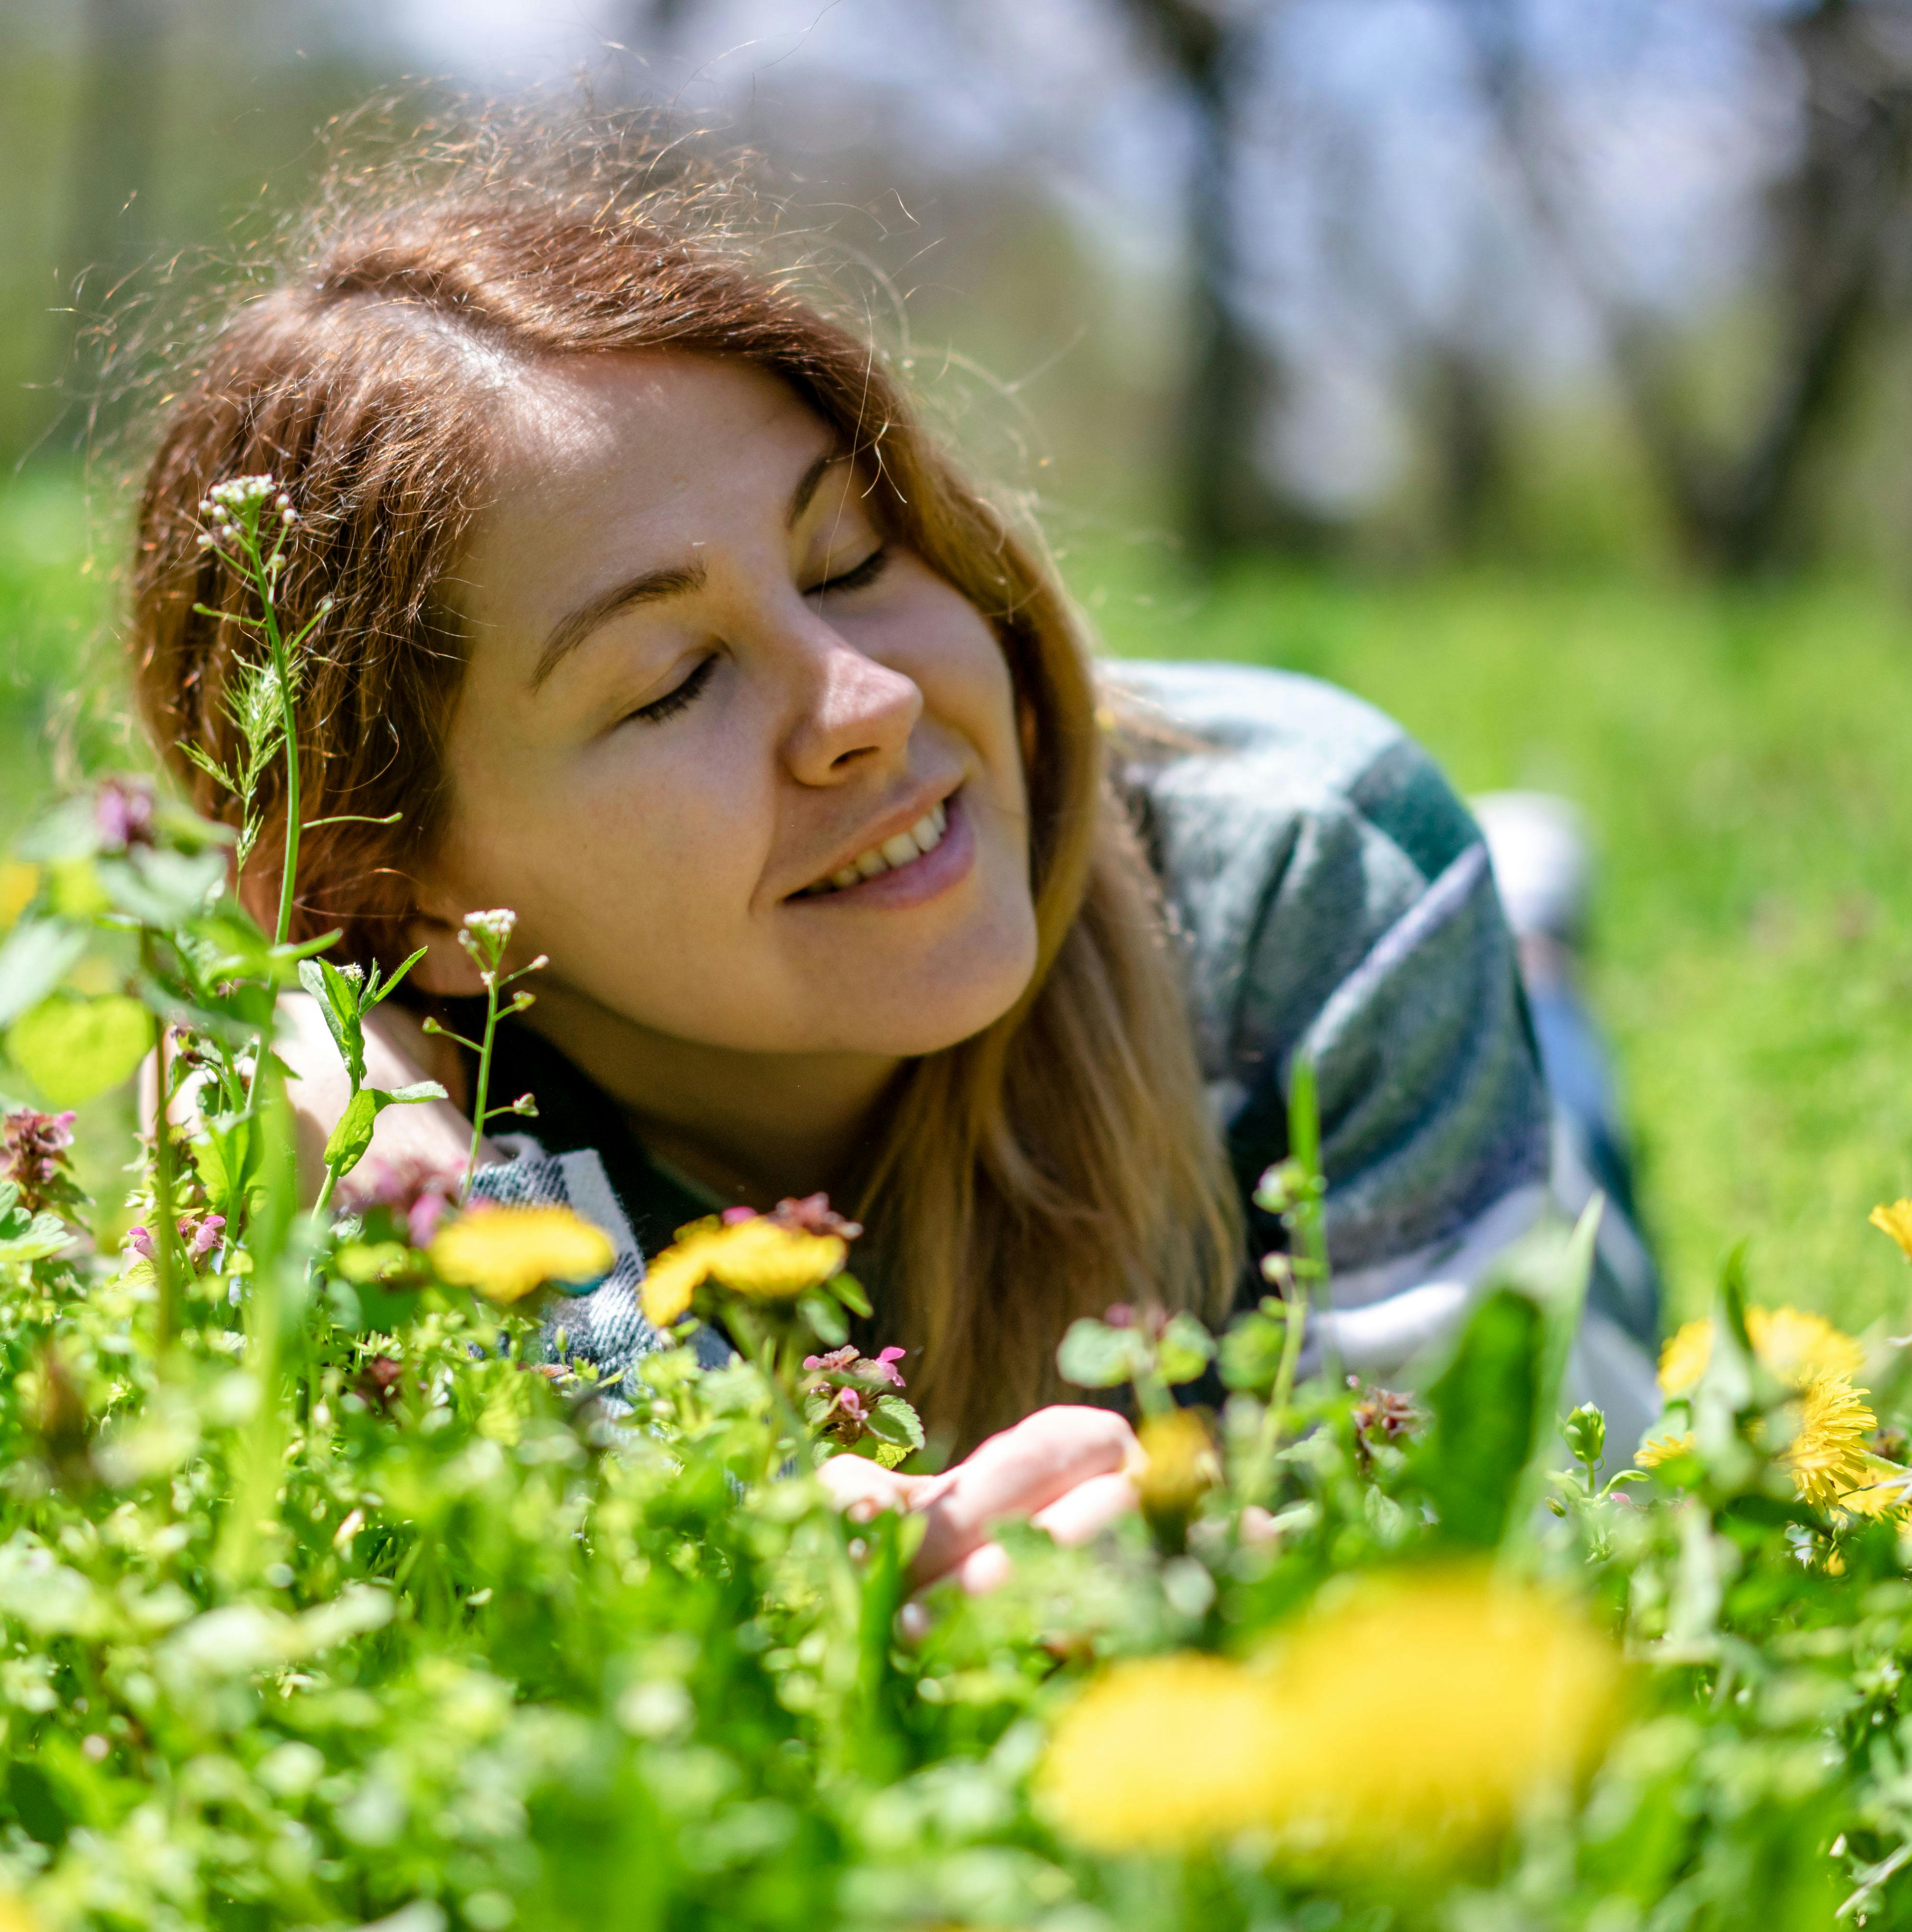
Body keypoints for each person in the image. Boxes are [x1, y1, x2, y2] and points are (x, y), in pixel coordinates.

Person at [125, 128, 1656, 1594]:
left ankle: (1530, 951)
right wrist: (741, 1510)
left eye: (855, 557)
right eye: (671, 680)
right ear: (391, 900)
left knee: (1565, 1135)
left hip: (1347, 988)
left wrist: (1183, 1585)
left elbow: (1524, 1529)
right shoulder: (372, 1103)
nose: (870, 702)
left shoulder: (1325, 865)